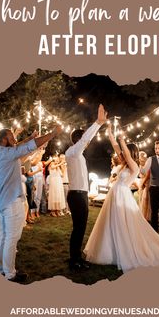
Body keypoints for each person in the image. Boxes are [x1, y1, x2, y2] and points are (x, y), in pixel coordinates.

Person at [84, 125, 159, 273]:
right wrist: (110, 133)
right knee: (110, 222)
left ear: (131, 152)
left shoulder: (134, 166)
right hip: (114, 194)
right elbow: (116, 147)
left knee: (121, 224)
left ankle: (124, 250)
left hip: (122, 195)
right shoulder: (124, 163)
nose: (122, 154)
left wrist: (122, 140)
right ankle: (111, 252)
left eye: (125, 152)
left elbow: (126, 154)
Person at [0, 125, 62, 282]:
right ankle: (10, 274)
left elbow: (19, 146)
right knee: (11, 238)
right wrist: (52, 134)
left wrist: (29, 138)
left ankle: (1, 269)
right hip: (11, 202)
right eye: (11, 137)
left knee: (3, 236)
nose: (15, 139)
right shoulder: (8, 153)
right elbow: (29, 147)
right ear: (4, 140)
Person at [65, 104, 107, 270]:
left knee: (80, 228)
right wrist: (98, 122)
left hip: (80, 194)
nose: (87, 143)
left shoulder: (77, 154)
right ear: (78, 140)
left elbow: (85, 140)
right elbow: (85, 139)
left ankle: (76, 257)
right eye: (83, 139)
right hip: (76, 195)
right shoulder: (73, 152)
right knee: (78, 228)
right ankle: (74, 260)